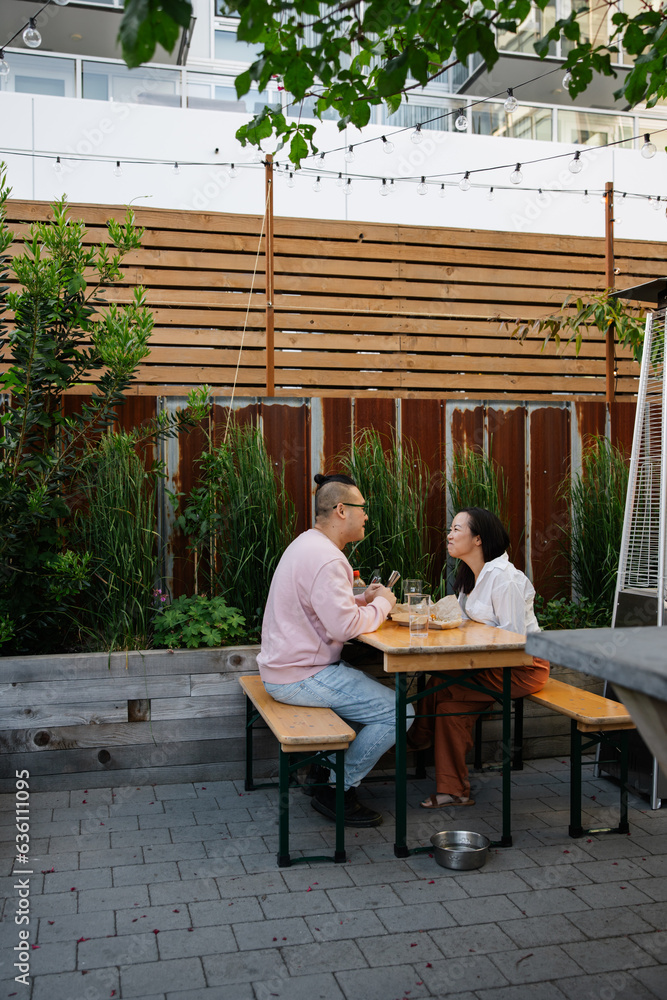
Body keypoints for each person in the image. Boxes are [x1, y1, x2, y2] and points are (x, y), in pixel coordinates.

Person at [257, 472, 412, 827]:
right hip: (301, 676)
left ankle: (321, 773)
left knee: (370, 698)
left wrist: (362, 599)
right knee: (400, 712)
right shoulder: (329, 559)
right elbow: (344, 627)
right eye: (362, 509)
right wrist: (384, 603)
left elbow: (321, 607)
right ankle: (335, 789)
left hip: (286, 669)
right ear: (342, 510)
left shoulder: (307, 544)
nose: (366, 516)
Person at [410, 506, 550, 809]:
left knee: (443, 694)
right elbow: (463, 623)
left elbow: (513, 643)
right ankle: (449, 784)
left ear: (478, 539)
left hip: (523, 667)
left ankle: (414, 742)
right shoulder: (471, 576)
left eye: (457, 529)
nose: (449, 535)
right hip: (487, 663)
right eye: (451, 529)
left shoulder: (504, 579)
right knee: (443, 698)